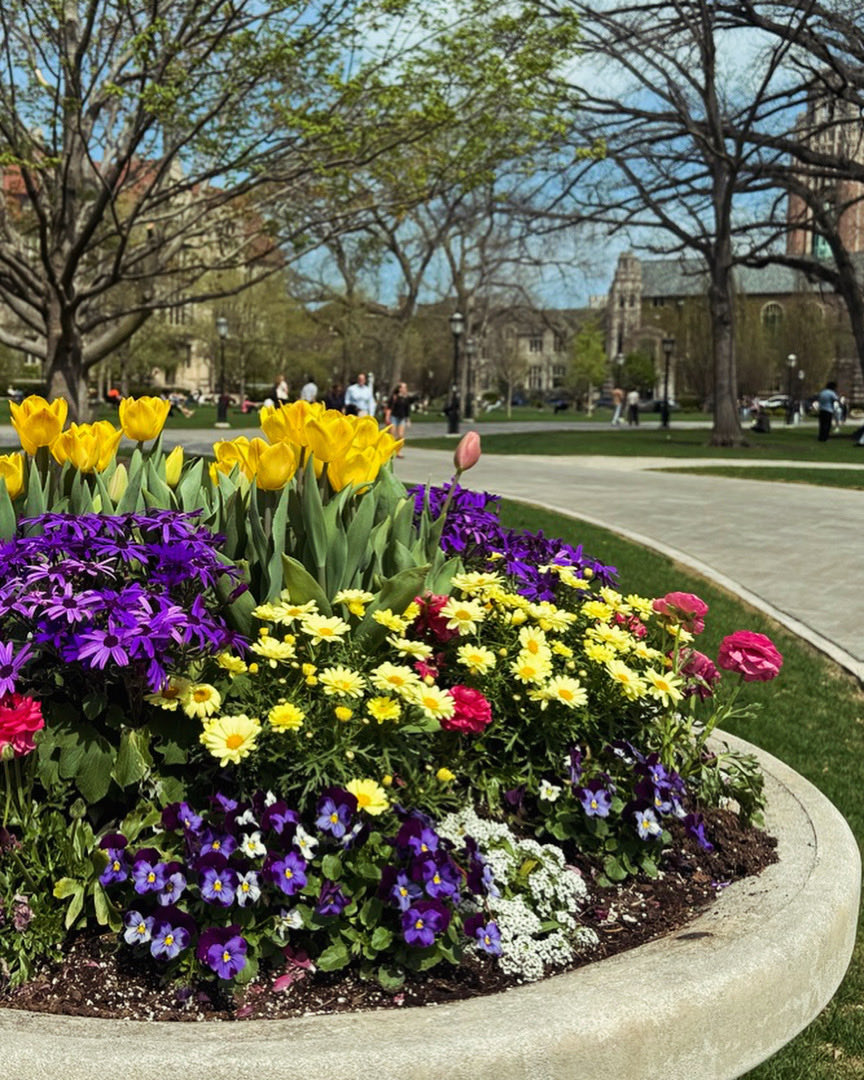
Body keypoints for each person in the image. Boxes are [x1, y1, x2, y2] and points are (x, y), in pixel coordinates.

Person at [386, 382, 413, 452]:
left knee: (401, 435)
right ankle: (390, 450)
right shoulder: (394, 397)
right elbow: (389, 408)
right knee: (392, 435)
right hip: (394, 417)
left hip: (402, 418)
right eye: (403, 387)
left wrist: (408, 420)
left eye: (405, 387)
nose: (404, 389)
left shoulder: (406, 398)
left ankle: (398, 451)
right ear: (399, 389)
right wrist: (387, 417)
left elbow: (407, 410)